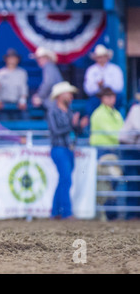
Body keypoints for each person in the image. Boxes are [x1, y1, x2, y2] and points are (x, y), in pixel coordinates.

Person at [46, 81, 89, 220]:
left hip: (67, 149)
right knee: (66, 179)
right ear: (60, 96)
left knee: (64, 180)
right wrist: (73, 124)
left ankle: (56, 211)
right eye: (68, 93)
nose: (71, 96)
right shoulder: (53, 111)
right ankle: (66, 212)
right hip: (59, 148)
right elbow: (56, 131)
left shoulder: (68, 112)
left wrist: (79, 126)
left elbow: (74, 131)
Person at [83, 44, 124, 116]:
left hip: (113, 97)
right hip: (97, 98)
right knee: (90, 107)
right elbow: (88, 90)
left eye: (103, 56)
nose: (101, 59)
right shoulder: (91, 70)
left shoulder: (115, 69)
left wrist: (105, 84)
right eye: (99, 57)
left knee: (118, 99)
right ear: (95, 58)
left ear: (107, 57)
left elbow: (119, 87)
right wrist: (97, 86)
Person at [119, 90, 140, 220]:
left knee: (135, 180)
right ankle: (132, 213)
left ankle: (134, 212)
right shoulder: (136, 109)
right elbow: (138, 128)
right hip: (129, 148)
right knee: (133, 180)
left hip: (135, 147)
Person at [0, 48, 29, 120]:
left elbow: (24, 88)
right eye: (10, 58)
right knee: (4, 126)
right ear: (6, 59)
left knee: (19, 126)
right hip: (3, 105)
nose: (12, 60)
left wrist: (23, 101)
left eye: (14, 58)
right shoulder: (0, 73)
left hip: (17, 105)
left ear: (18, 60)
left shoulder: (22, 73)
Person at [89, 87, 124, 153]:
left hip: (114, 148)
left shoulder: (116, 113)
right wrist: (124, 137)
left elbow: (122, 128)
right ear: (102, 98)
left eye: (112, 96)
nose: (111, 98)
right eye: (108, 96)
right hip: (101, 149)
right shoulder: (99, 114)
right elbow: (110, 132)